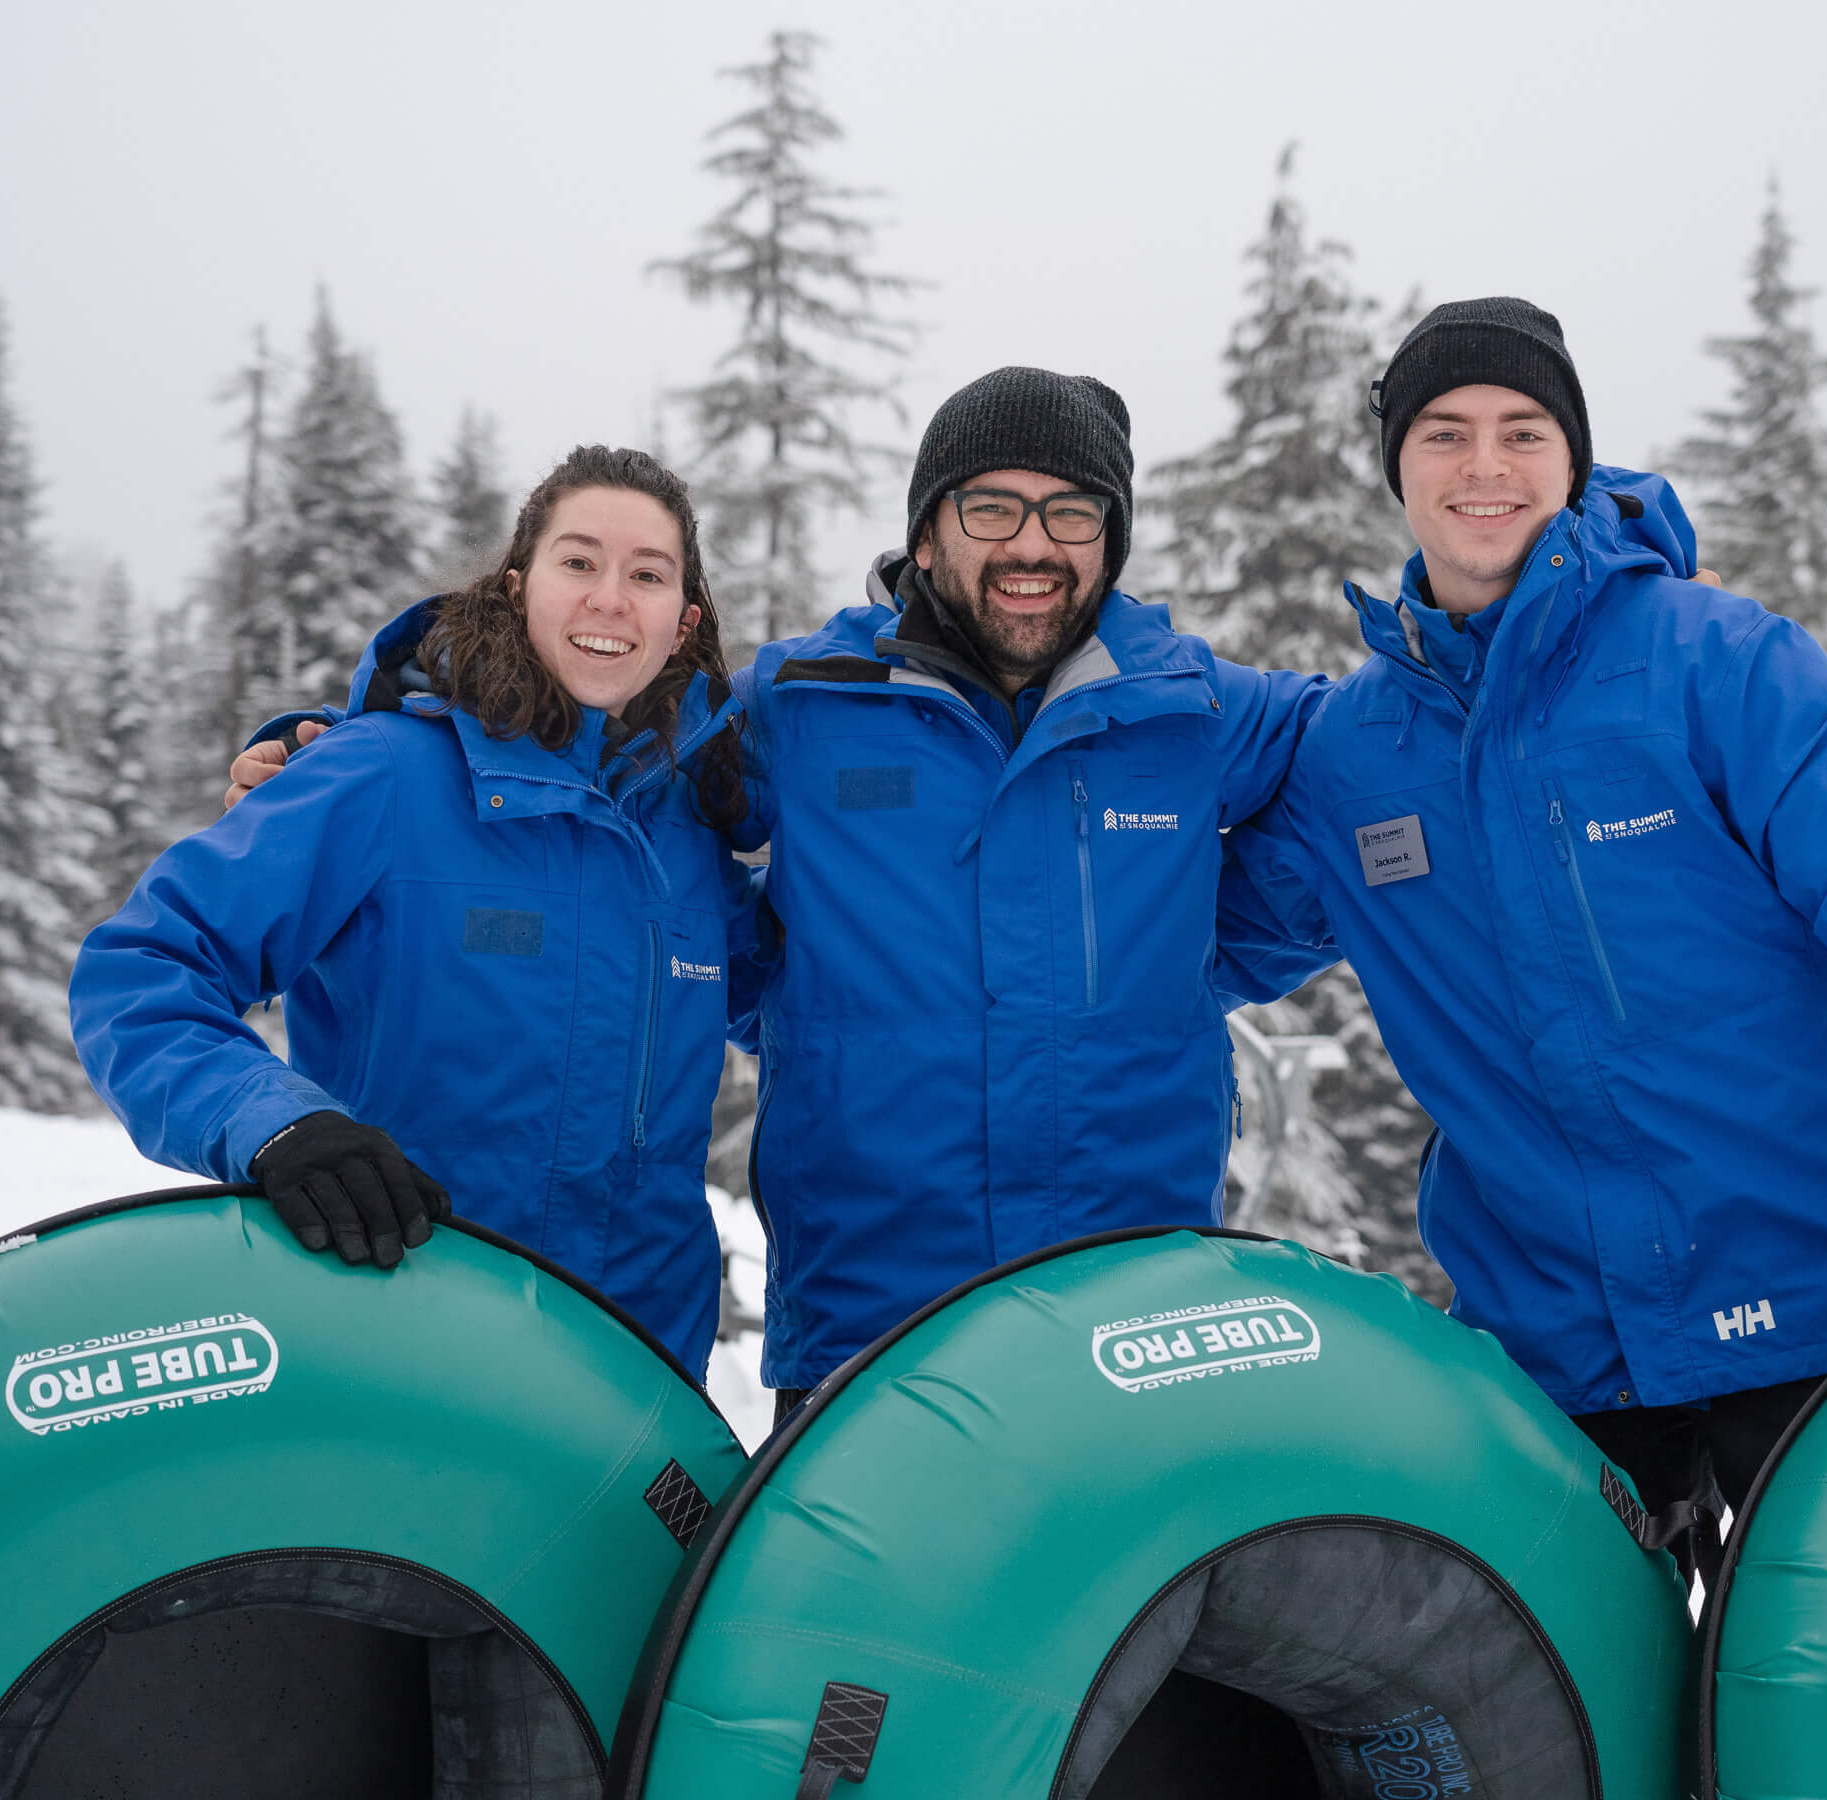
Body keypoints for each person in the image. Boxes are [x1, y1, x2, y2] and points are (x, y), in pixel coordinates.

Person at [231, 371, 1327, 1419]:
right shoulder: (803, 706)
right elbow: (590, 768)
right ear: (929, 528)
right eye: (992, 507)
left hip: (1136, 1321)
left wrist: (1192, 965)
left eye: (1073, 513)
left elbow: (1368, 782)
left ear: (1113, 537)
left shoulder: (1194, 708)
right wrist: (348, 745)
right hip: (872, 1328)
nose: (1032, 544)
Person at [1220, 299, 1827, 1544]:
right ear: (1398, 469)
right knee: (1582, 1738)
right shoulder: (1351, 757)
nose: (1484, 466)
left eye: (1522, 430)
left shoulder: (1720, 662)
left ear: (1574, 458)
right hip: (1561, 1368)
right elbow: (1187, 954)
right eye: (1443, 433)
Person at [75, 446, 758, 1377]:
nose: (609, 597)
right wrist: (274, 1123)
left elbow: (810, 1000)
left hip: (635, 1384)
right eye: (579, 562)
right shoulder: (381, 775)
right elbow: (142, 970)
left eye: (647, 575)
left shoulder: (685, 837)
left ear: (682, 626)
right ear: (519, 586)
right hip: (398, 1352)